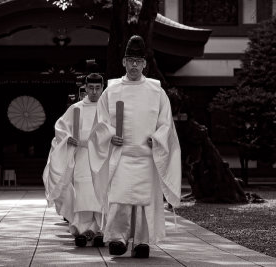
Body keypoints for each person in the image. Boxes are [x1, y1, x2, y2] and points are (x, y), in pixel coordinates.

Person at [88, 35, 181, 258]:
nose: (134, 65)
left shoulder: (156, 91)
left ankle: (141, 241)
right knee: (119, 198)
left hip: (147, 155)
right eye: (130, 60)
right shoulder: (111, 90)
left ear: (145, 64)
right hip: (121, 155)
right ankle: (118, 238)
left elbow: (165, 122)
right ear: (124, 62)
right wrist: (110, 135)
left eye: (138, 61)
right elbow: (100, 122)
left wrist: (157, 139)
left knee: (143, 202)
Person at [43, 73, 105, 247]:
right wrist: (67, 138)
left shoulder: (107, 109)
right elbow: (61, 127)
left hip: (101, 157)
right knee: (82, 194)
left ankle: (100, 230)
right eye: (90, 88)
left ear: (102, 88)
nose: (94, 91)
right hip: (81, 156)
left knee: (100, 193)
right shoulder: (76, 108)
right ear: (85, 88)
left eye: (97, 88)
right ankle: (81, 229)